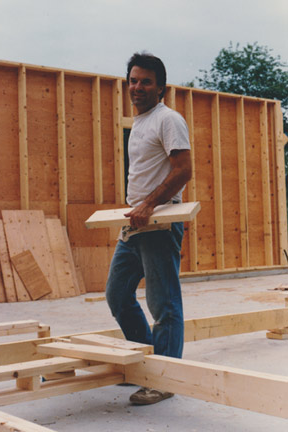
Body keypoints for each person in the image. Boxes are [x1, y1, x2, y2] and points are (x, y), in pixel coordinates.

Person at [106, 52, 192, 405]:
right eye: (133, 80)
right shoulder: (138, 122)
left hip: (158, 221)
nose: (137, 87)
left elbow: (183, 170)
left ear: (161, 88)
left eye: (146, 81)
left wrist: (149, 205)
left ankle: (164, 378)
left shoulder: (168, 119)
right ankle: (145, 364)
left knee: (163, 303)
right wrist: (136, 208)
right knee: (117, 294)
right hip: (136, 222)